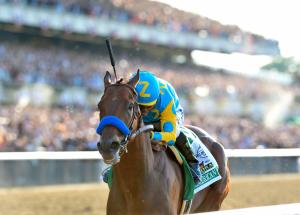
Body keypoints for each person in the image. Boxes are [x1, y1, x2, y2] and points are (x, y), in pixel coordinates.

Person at [134, 71, 201, 183]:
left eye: (148, 107)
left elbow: (170, 137)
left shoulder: (165, 98)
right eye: (140, 107)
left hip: (169, 114)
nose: (144, 111)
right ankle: (114, 166)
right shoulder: (132, 92)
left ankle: (193, 164)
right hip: (148, 119)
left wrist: (151, 135)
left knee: (177, 134)